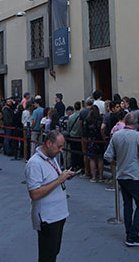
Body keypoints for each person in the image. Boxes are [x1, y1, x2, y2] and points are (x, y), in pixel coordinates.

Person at [104, 112, 139, 247]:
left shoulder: (116, 135)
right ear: (135, 123)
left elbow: (107, 156)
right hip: (134, 175)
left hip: (121, 175)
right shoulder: (137, 136)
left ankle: (129, 233)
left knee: (127, 204)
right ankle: (133, 235)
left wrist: (116, 161)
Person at [25, 130, 75, 262]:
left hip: (59, 214)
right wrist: (59, 180)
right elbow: (34, 194)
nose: (60, 150)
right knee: (47, 255)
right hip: (48, 217)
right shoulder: (34, 163)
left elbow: (53, 178)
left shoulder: (51, 158)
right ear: (48, 143)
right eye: (58, 146)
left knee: (54, 251)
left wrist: (64, 176)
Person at [83, 105, 105, 182]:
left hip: (91, 140)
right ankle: (101, 176)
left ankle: (93, 177)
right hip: (99, 140)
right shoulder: (100, 119)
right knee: (100, 159)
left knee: (92, 159)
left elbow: (85, 130)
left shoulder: (88, 119)